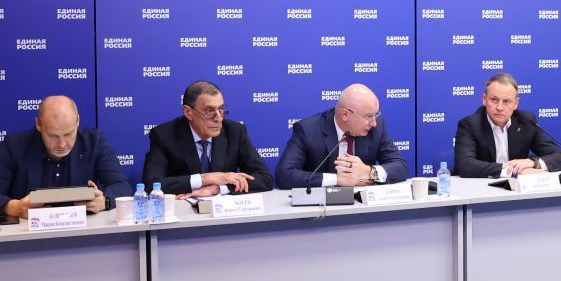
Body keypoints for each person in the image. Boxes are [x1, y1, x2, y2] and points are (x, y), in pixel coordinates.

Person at [0, 95, 130, 218]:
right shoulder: (15, 146)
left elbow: (122, 186)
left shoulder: (94, 142)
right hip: (27, 237)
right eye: (53, 136)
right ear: (38, 125)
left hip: (82, 235)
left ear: (77, 121)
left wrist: (104, 201)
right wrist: (15, 207)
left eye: (68, 134)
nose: (62, 144)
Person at [143, 80, 272, 198]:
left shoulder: (235, 132)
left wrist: (218, 188)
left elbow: (265, 179)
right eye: (209, 110)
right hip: (182, 210)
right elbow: (150, 185)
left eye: (221, 109)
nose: (219, 118)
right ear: (188, 112)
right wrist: (206, 179)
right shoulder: (164, 135)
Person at [275, 84, 408, 189]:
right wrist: (337, 179)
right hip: (322, 207)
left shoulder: (376, 127)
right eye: (368, 116)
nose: (374, 123)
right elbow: (284, 175)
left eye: (375, 115)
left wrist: (369, 171)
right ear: (345, 114)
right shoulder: (308, 130)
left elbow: (401, 166)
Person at [454, 72, 561, 178]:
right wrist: (511, 170)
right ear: (484, 99)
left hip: (516, 189)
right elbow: (465, 165)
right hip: (480, 188)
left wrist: (532, 162)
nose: (499, 107)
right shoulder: (470, 125)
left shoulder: (526, 121)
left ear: (515, 103)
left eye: (506, 101)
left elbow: (560, 158)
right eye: (494, 100)